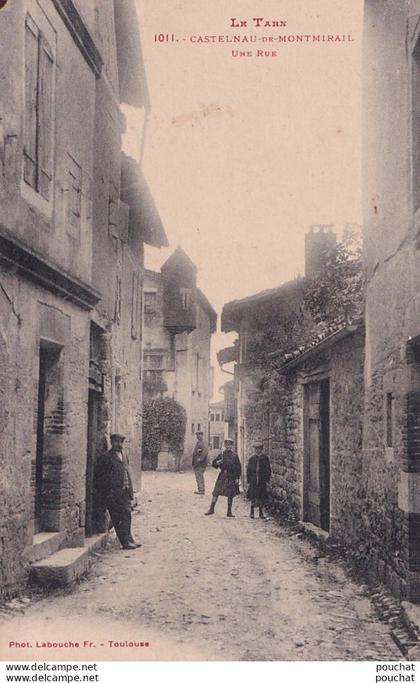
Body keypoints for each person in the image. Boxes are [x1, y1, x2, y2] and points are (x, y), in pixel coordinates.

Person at [94, 433, 140, 550]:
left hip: (125, 492)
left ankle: (129, 538)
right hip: (113, 493)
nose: (118, 444)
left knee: (127, 515)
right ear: (112, 442)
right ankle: (124, 542)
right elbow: (100, 477)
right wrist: (108, 491)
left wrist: (130, 490)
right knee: (117, 517)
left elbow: (127, 473)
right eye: (116, 442)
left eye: (120, 442)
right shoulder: (106, 457)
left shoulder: (124, 456)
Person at [205, 438, 241, 517]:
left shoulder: (235, 456)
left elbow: (238, 468)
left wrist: (237, 478)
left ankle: (229, 511)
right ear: (224, 445)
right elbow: (214, 464)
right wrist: (217, 463)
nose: (228, 446)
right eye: (226, 445)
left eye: (230, 445)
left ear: (232, 446)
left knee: (230, 494)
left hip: (231, 476)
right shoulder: (222, 454)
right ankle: (211, 509)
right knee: (216, 492)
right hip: (222, 476)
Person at [246, 442, 272, 519]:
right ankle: (252, 512)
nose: (257, 451)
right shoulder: (252, 459)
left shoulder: (265, 458)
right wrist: (249, 480)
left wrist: (267, 478)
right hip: (253, 481)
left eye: (259, 449)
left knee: (261, 496)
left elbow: (268, 469)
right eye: (256, 449)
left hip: (261, 480)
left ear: (261, 450)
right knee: (253, 496)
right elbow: (248, 470)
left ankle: (261, 513)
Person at [192, 430, 208, 494]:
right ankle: (200, 489)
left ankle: (201, 490)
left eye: (199, 435)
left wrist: (200, 459)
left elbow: (205, 452)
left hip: (201, 463)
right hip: (196, 463)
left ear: (202, 435)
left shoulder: (203, 443)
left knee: (200, 476)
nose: (198, 436)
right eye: (197, 435)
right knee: (197, 476)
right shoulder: (198, 443)